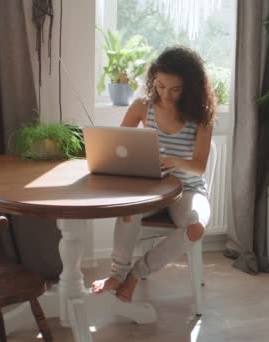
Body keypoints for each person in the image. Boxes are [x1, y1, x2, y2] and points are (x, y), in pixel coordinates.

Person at [91, 46, 216, 302]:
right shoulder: (142, 106)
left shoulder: (201, 116)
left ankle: (136, 275)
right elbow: (116, 146)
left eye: (175, 89)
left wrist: (170, 161)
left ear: (190, 87)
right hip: (150, 187)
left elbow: (199, 166)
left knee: (195, 227)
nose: (165, 94)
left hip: (188, 190)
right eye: (160, 86)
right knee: (127, 209)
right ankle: (117, 273)